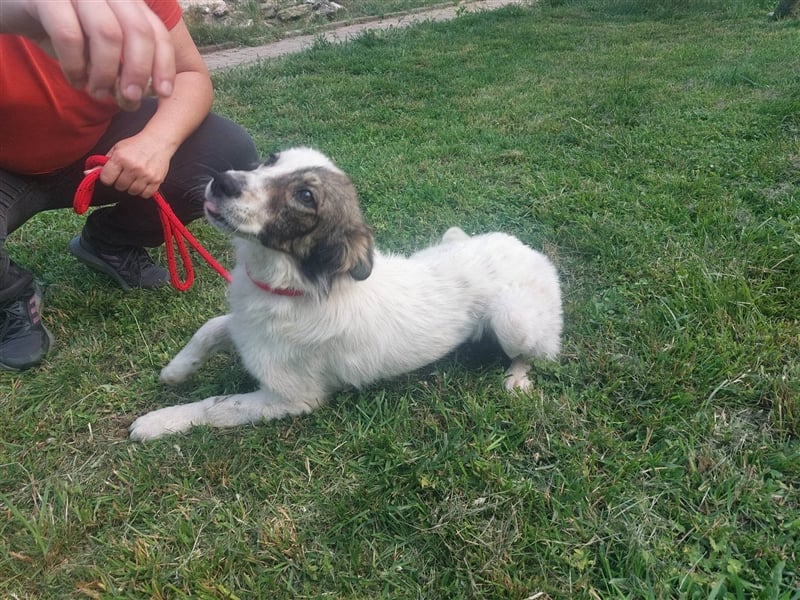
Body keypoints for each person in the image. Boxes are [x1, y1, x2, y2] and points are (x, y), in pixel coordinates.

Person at [0, 0, 260, 371]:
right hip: (6, 168)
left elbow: (188, 73)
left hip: (97, 140)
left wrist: (156, 142)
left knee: (225, 152)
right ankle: (10, 292)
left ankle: (110, 242)